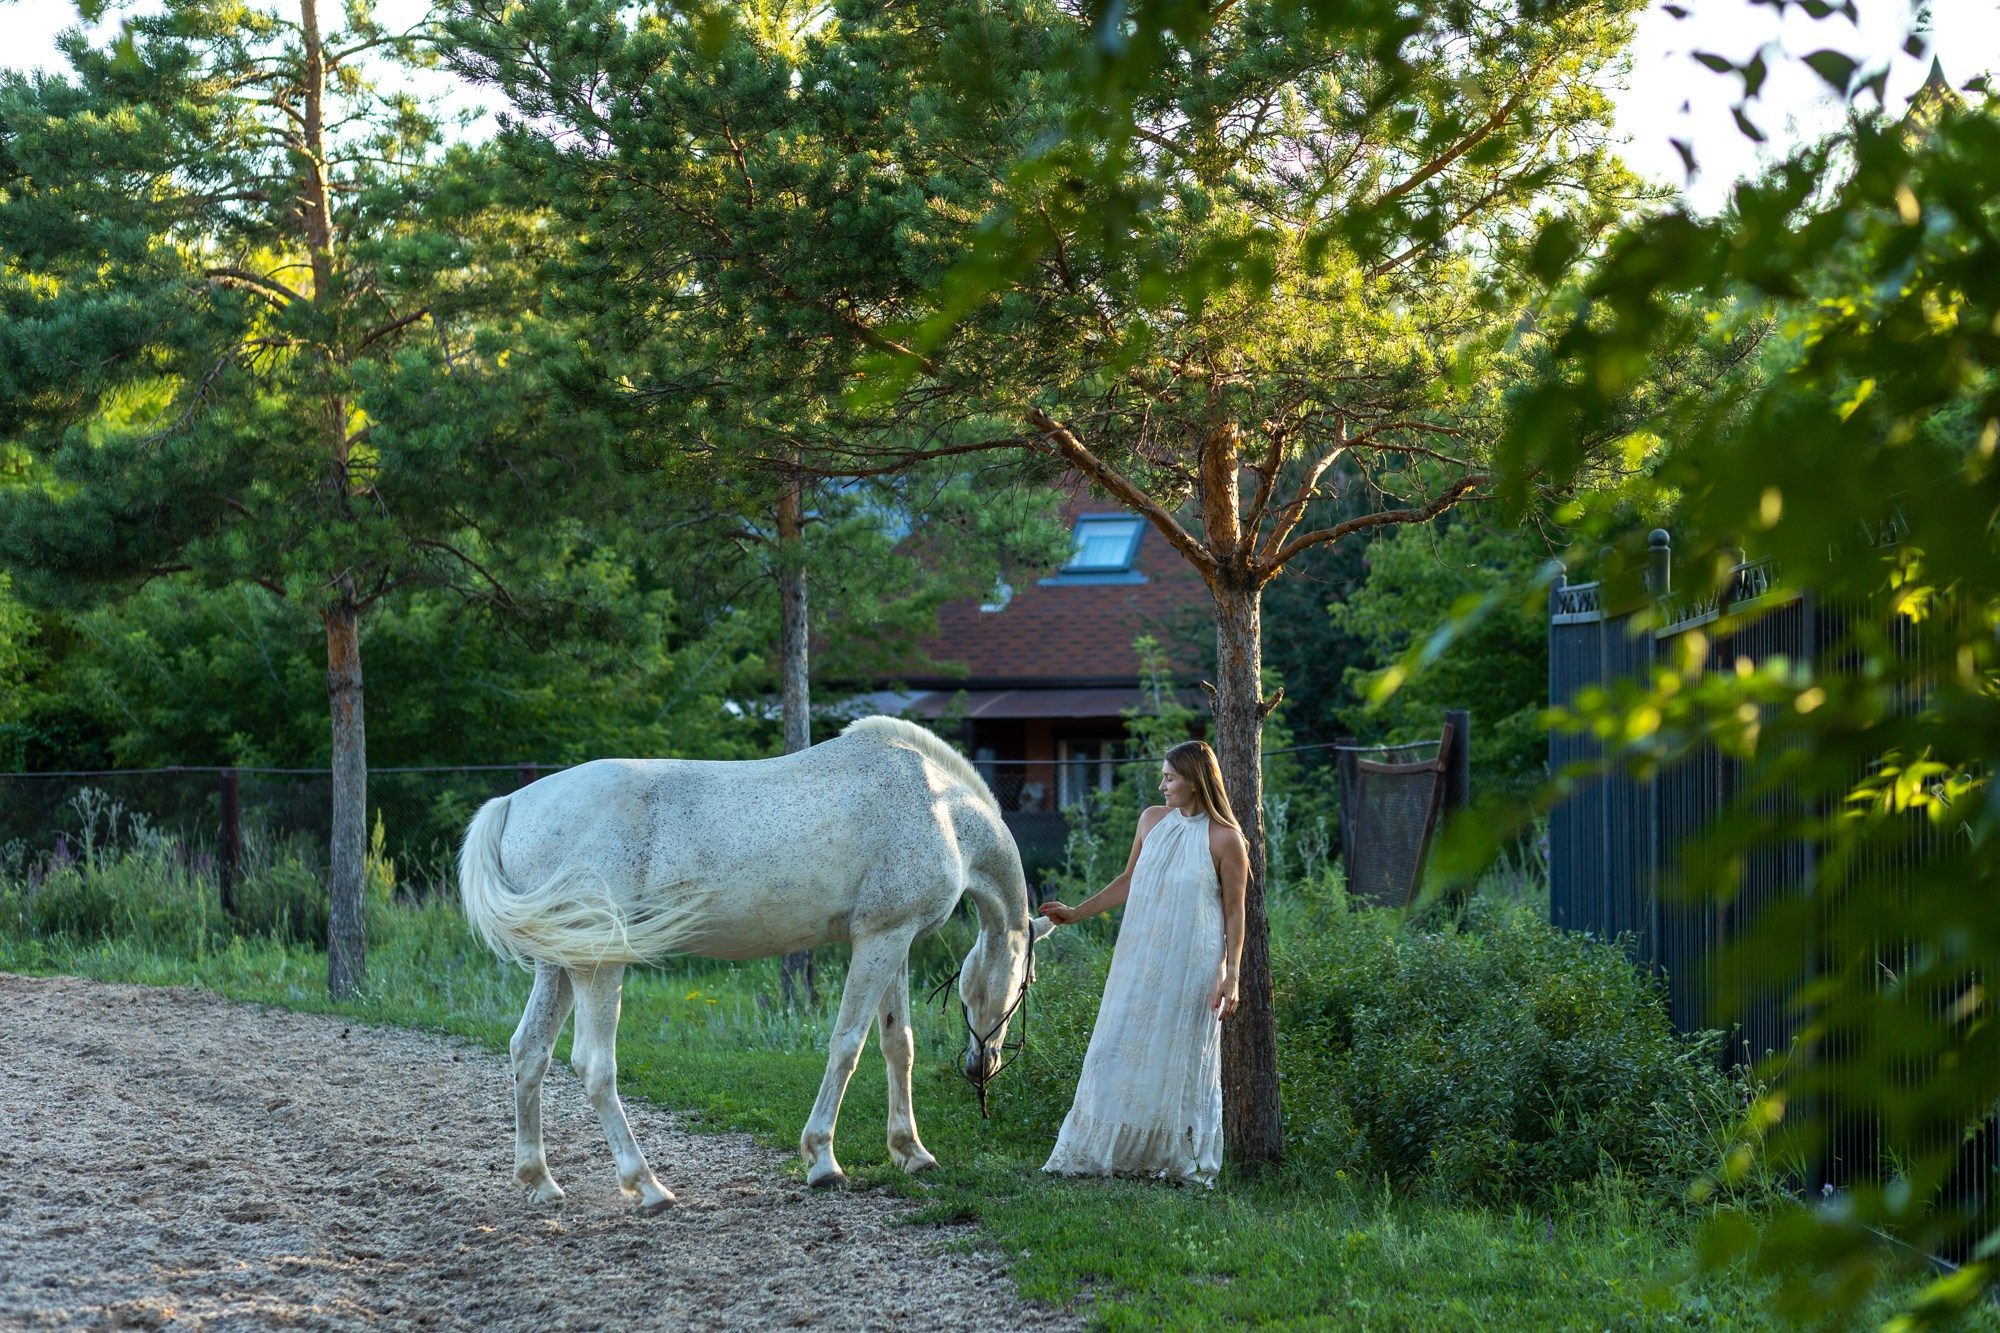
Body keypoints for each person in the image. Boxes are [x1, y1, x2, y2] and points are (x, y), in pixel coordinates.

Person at [1037, 739, 1249, 1186]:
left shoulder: (1227, 839)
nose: (1162, 784)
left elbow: (1235, 912)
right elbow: (1128, 881)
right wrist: (1075, 913)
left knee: (1180, 1058)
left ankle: (1179, 1159)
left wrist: (1231, 975)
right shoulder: (1152, 820)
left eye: (1170, 777)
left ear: (1196, 781)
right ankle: (1107, 1151)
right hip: (1141, 955)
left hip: (1194, 962)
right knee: (1116, 1045)